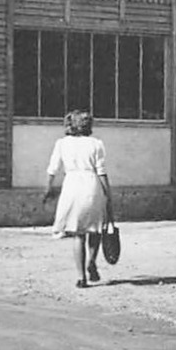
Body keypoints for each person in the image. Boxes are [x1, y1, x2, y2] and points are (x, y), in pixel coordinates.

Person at [42, 110, 113, 288]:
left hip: (71, 186)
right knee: (95, 230)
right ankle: (92, 262)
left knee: (78, 234)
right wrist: (108, 195)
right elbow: (101, 172)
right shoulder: (96, 144)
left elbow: (52, 169)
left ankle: (81, 277)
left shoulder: (62, 144)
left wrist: (47, 189)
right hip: (91, 185)